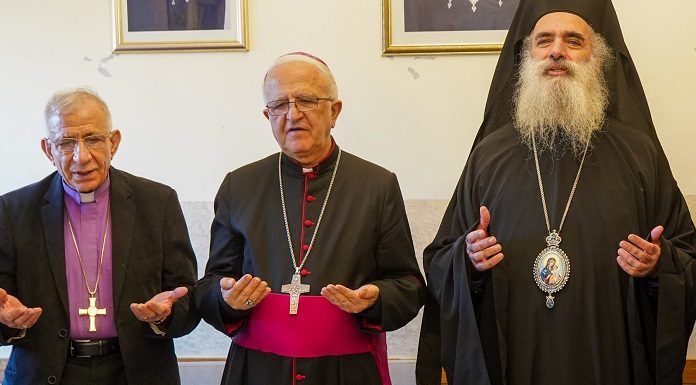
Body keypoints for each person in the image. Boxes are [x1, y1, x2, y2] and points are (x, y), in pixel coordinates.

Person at [416, 1, 696, 384]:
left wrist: (658, 265)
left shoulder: (639, 153)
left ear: (597, 59)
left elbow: (687, 255)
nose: (556, 51)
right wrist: (468, 260)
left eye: (573, 41)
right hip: (514, 357)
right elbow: (440, 261)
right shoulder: (489, 155)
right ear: (527, 58)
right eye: (543, 40)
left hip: (608, 357)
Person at [196, 52, 425, 385]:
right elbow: (211, 283)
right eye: (279, 105)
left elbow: (408, 284)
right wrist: (226, 297)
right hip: (258, 371)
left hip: (346, 372)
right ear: (267, 115)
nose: (292, 114)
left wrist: (376, 297)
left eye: (306, 100)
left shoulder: (377, 185)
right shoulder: (239, 185)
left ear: (334, 111)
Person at [0, 88, 199, 385]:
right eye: (66, 143)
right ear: (48, 150)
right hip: (45, 373)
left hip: (137, 372)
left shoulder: (157, 203)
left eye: (93, 139)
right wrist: (6, 320)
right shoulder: (13, 210)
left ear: (113, 142)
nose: (82, 157)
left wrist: (165, 315)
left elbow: (188, 297)